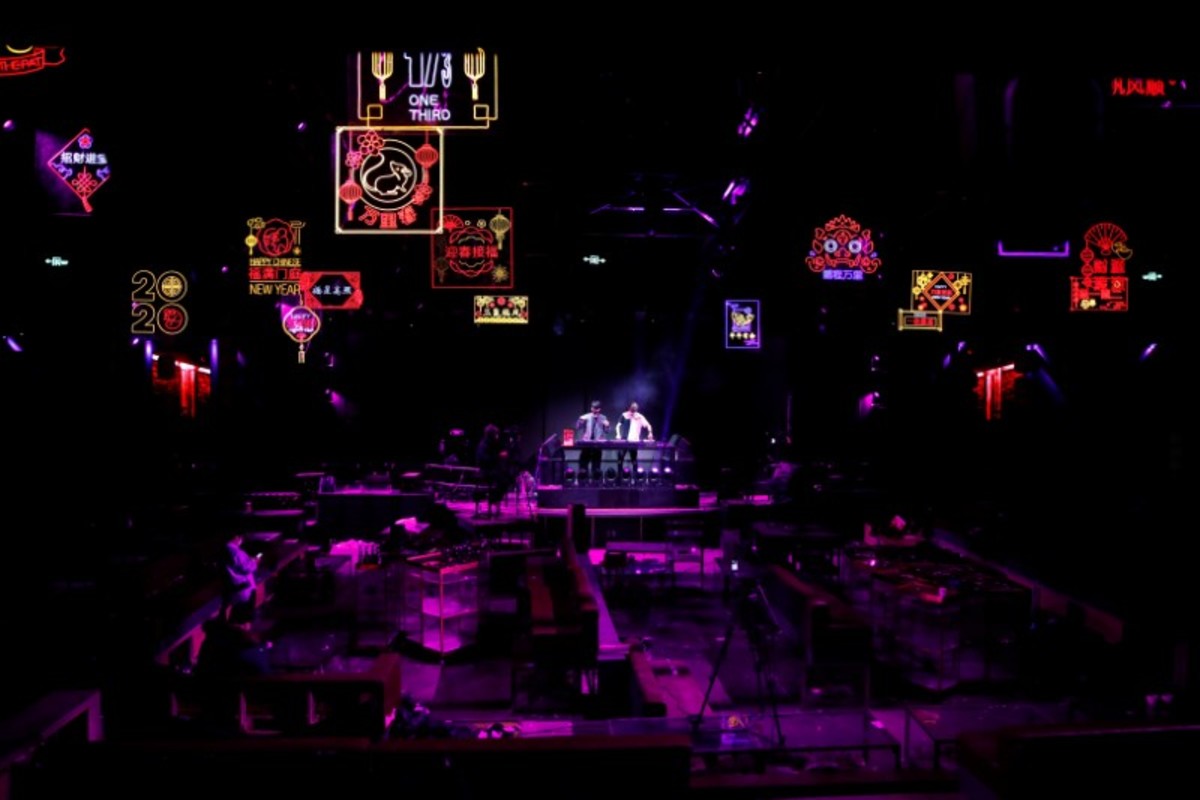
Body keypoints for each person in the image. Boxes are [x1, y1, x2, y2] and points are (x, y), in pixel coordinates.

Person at [221, 532, 260, 624]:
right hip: (244, 590)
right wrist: (255, 562)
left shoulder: (225, 550)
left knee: (239, 618)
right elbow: (247, 568)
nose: (241, 540)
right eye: (240, 537)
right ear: (235, 537)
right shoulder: (236, 552)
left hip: (236, 590)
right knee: (244, 620)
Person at [475, 423, 509, 517]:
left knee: (506, 479)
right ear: (491, 435)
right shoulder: (483, 445)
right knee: (503, 480)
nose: (497, 436)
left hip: (492, 470)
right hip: (485, 471)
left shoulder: (492, 444)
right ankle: (493, 499)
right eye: (496, 434)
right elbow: (484, 459)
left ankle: (494, 498)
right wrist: (499, 456)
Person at [615, 401, 654, 480]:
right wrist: (618, 434)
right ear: (629, 408)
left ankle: (635, 479)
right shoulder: (624, 415)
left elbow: (648, 425)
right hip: (624, 441)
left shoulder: (639, 416)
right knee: (620, 459)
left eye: (635, 409)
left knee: (634, 460)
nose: (633, 411)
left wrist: (650, 433)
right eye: (632, 409)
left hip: (634, 442)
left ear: (637, 409)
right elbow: (617, 426)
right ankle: (619, 478)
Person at [575, 400, 610, 483]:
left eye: (597, 409)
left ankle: (595, 482)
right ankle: (583, 482)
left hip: (597, 445)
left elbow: (607, 431)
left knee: (596, 466)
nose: (595, 410)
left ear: (599, 409)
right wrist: (580, 421)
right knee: (583, 465)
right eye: (593, 408)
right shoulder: (586, 416)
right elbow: (578, 427)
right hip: (587, 444)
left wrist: (607, 426)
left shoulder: (603, 418)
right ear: (591, 408)